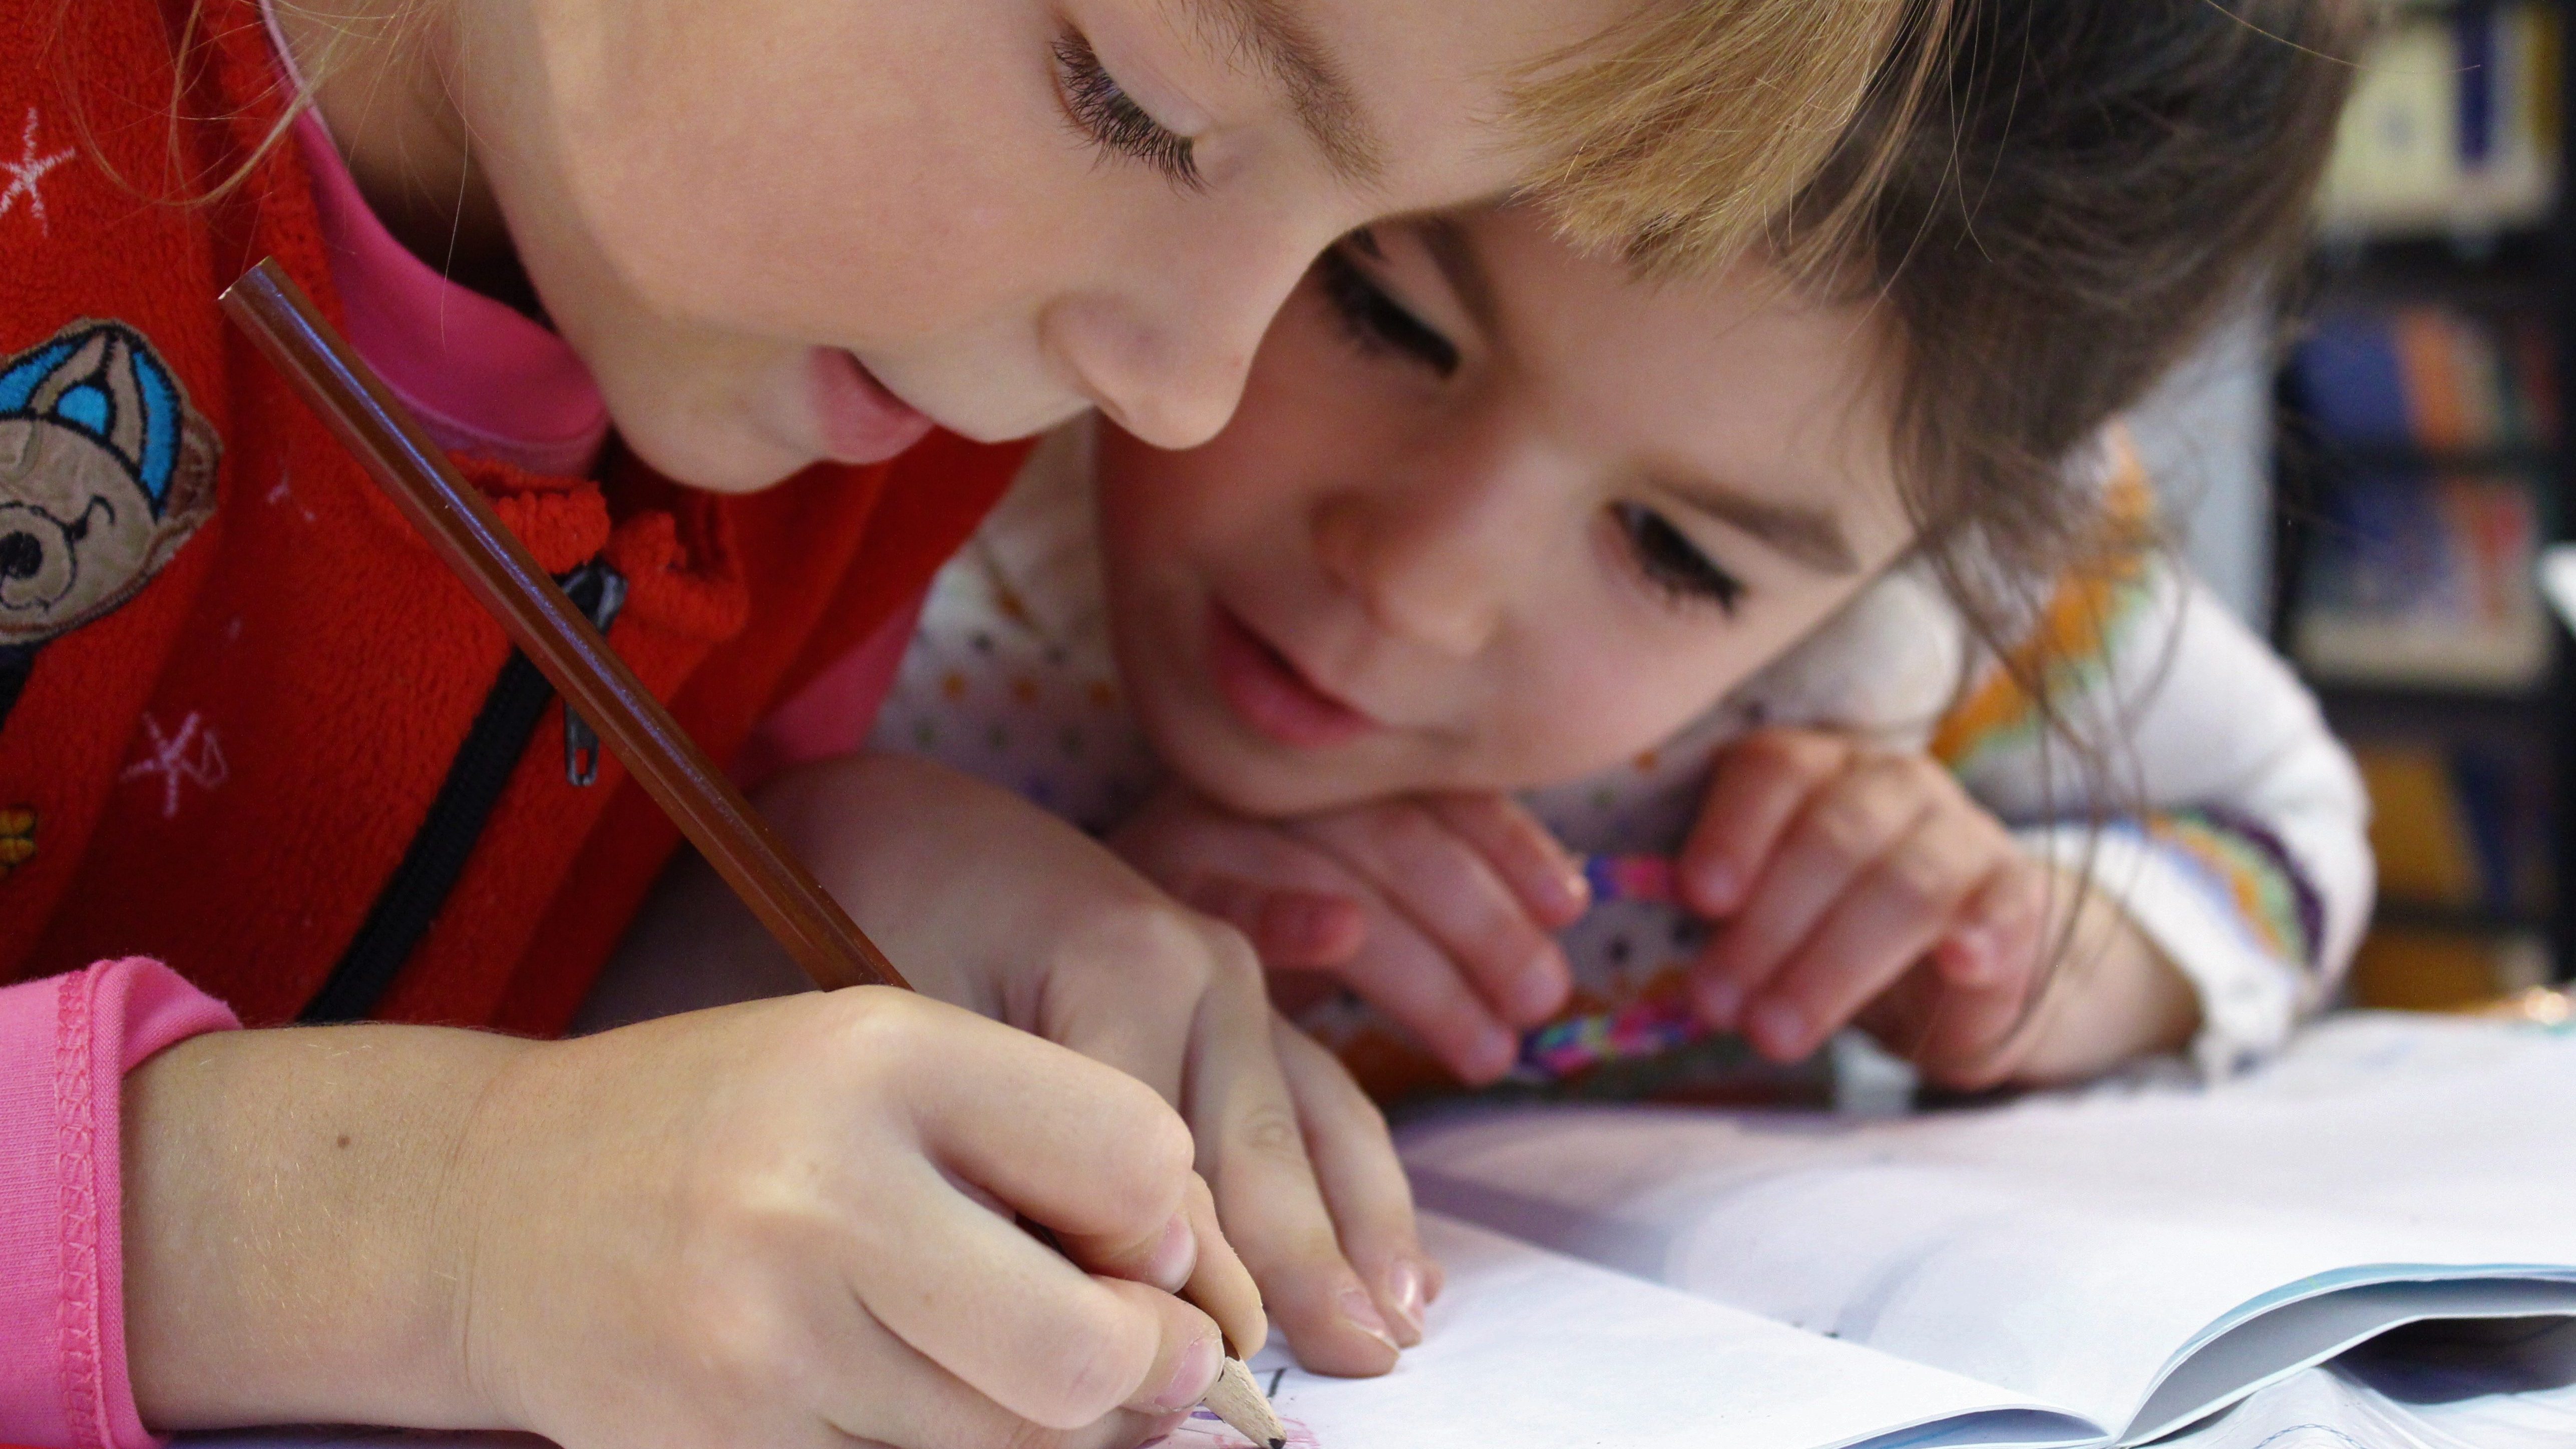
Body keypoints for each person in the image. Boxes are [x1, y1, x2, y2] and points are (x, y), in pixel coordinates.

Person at [0, 2, 1929, 1447]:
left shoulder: (839, 411)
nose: (1180, 397)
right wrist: (437, 1227)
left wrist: (779, 911)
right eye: (1137, 100)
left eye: (1357, 233)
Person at [685, 0, 2371, 1113]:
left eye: (1674, 551)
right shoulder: (904, 437)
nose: (1415, 585)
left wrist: (2049, 959)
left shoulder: (1974, 613)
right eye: (1382, 314)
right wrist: (888, 905)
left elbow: (2288, 828)